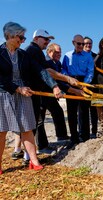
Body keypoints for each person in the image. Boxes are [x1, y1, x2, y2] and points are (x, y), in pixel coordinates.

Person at [0, 22, 62, 173]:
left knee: (27, 128)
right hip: (5, 94)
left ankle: (33, 160)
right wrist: (17, 88)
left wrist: (54, 85)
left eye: (24, 37)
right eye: (20, 37)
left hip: (24, 93)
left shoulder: (23, 54)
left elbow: (40, 70)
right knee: (1, 131)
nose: (23, 41)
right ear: (9, 36)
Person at [25, 29, 76, 155]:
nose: (47, 42)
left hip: (37, 90)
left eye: (49, 40)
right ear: (36, 39)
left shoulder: (37, 52)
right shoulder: (34, 50)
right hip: (35, 91)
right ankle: (33, 151)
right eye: (45, 39)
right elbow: (46, 71)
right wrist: (65, 81)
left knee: (39, 119)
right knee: (37, 120)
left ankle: (29, 152)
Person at [62, 34, 94, 148]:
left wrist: (84, 85)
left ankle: (84, 137)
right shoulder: (67, 56)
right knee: (71, 113)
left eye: (83, 44)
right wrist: (68, 80)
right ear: (73, 43)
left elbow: (90, 72)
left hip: (83, 83)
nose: (81, 46)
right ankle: (73, 138)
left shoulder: (88, 56)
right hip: (70, 83)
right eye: (79, 43)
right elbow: (63, 70)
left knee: (84, 112)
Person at [82, 36, 98, 138]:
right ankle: (84, 132)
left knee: (94, 111)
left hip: (94, 86)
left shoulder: (96, 56)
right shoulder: (79, 55)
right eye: (86, 43)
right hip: (83, 87)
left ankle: (94, 131)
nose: (88, 45)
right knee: (83, 111)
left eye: (90, 43)